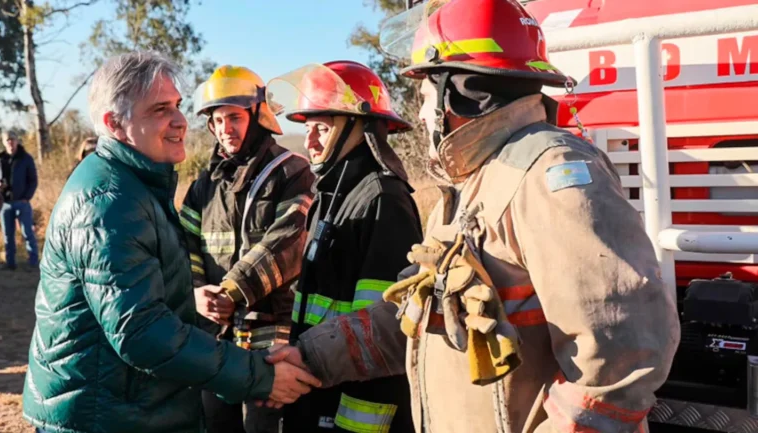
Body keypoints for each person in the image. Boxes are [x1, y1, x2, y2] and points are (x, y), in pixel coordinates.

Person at [271, 1, 682, 432]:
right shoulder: (474, 183)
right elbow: (419, 316)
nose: (422, 112)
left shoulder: (548, 174)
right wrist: (312, 355)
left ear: (463, 93)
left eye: (425, 94)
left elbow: (620, 361)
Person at [21, 51, 321, 433]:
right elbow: (142, 331)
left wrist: (225, 295)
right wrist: (206, 301)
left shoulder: (142, 186)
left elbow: (286, 239)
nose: (181, 121)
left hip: (169, 380)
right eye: (161, 109)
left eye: (178, 106)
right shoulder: (109, 202)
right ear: (115, 124)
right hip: (110, 413)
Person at [261, 60, 423, 432]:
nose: (310, 141)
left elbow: (388, 328)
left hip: (355, 411)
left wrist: (351, 423)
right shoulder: (331, 196)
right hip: (318, 393)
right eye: (307, 128)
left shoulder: (383, 199)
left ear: (359, 126)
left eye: (322, 127)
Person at [181, 65, 315, 433]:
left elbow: (287, 241)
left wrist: (232, 292)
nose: (225, 129)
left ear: (258, 116)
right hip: (214, 336)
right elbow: (185, 245)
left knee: (261, 425)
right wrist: (196, 294)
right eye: (218, 120)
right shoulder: (203, 186)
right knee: (215, 421)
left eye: (235, 118)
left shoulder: (291, 171)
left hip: (271, 334)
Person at [0, 130, 38, 270]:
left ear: (17, 141)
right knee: (7, 235)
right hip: (4, 204)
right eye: (7, 140)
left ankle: (33, 263)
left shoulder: (26, 158)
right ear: (4, 143)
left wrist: (26, 198)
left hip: (22, 202)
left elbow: (33, 180)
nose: (10, 143)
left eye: (12, 140)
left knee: (27, 233)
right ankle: (10, 263)